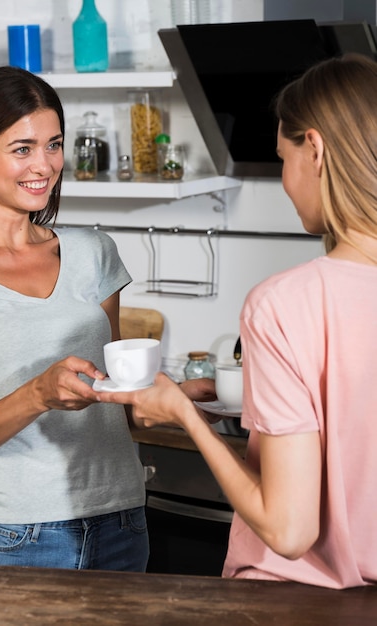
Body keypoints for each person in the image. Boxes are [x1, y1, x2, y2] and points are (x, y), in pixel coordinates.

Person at [96, 53, 377, 589]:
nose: (287, 183)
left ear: (314, 150)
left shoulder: (286, 303)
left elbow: (289, 530)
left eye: (282, 159)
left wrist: (185, 413)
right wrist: (249, 400)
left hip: (296, 604)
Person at [0, 66, 149, 572]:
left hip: (123, 522)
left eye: (53, 144)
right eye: (22, 149)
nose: (45, 165)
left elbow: (118, 399)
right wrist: (37, 394)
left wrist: (178, 398)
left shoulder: (94, 251)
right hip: (17, 536)